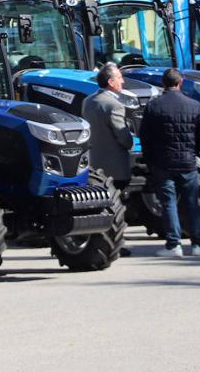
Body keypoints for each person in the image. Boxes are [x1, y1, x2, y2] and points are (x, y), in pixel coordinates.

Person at [140, 68, 200, 257]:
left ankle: (174, 245)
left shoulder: (153, 106)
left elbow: (145, 136)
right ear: (180, 83)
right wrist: (193, 151)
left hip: (163, 161)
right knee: (191, 203)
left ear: (163, 84)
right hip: (187, 161)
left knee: (169, 203)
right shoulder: (194, 105)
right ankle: (198, 244)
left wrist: (151, 159)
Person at [82, 63, 134, 256]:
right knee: (116, 206)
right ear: (111, 82)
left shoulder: (88, 101)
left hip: (95, 162)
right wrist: (129, 141)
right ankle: (117, 242)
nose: (123, 81)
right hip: (115, 165)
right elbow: (124, 138)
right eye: (119, 77)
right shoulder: (114, 105)